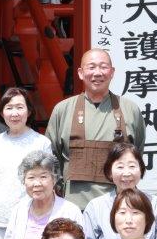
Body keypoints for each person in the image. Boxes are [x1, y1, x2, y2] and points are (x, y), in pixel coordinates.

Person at [45, 49, 146, 209]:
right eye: (91, 67)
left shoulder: (129, 109)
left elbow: (137, 152)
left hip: (119, 203)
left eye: (103, 67)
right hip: (73, 204)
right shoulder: (63, 110)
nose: (97, 73)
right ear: (80, 72)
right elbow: (50, 156)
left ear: (112, 72)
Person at [0, 87, 53, 239]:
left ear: (29, 111)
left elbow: (48, 182)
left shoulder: (41, 143)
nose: (14, 113)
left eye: (20, 107)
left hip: (32, 219)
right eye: (9, 108)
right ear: (1, 112)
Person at [80, 144, 157, 239]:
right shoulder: (96, 207)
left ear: (141, 169)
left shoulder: (155, 205)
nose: (126, 173)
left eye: (132, 166)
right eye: (120, 167)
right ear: (110, 171)